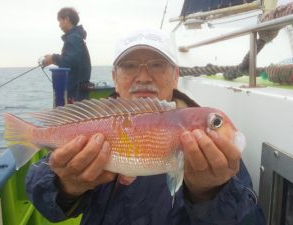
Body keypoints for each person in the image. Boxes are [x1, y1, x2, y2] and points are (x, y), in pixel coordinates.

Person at [26, 29, 265, 224]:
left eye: (157, 65)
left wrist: (210, 192)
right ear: (114, 77)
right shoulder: (92, 124)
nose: (143, 77)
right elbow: (47, 204)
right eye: (129, 66)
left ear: (175, 76)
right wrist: (66, 185)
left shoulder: (212, 148)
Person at [42, 7, 92, 102]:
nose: (59, 24)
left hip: (76, 94)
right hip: (79, 92)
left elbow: (70, 61)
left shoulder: (73, 38)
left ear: (66, 19)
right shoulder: (76, 37)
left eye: (60, 20)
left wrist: (52, 58)